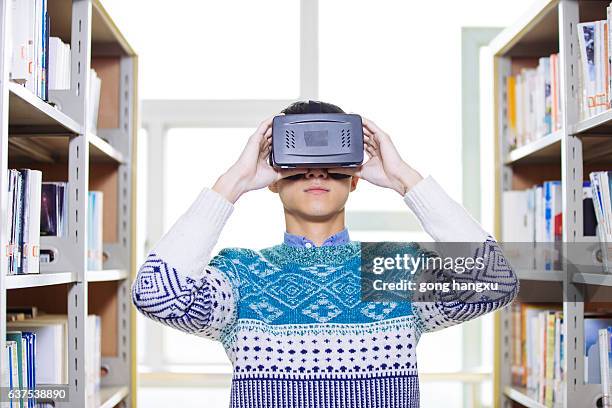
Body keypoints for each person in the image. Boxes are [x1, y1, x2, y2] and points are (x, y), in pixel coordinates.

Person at [131, 100, 519, 408]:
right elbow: (155, 294)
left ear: (355, 178)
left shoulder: (387, 269)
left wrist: (404, 178)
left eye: (331, 163)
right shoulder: (241, 273)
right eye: (299, 162)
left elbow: (494, 281)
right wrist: (232, 183)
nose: (316, 172)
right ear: (274, 177)